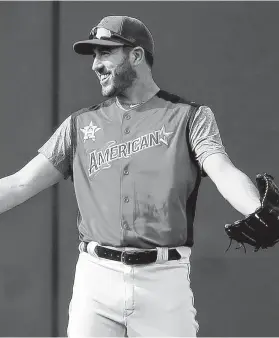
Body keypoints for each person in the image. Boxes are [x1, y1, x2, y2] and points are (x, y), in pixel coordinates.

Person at [0, 15, 261, 337]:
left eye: (105, 52)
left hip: (164, 279)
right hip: (96, 277)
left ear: (136, 56)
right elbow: (19, 184)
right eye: (94, 55)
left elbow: (222, 169)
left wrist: (255, 209)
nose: (96, 64)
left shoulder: (190, 117)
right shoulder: (79, 125)